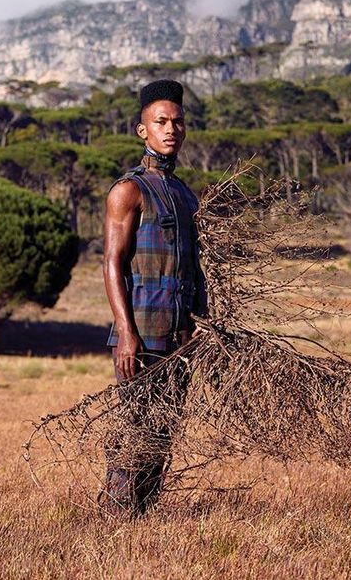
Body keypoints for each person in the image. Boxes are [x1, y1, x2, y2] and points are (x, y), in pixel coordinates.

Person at [100, 78, 208, 515]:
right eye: (160, 122)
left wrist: (202, 325)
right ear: (142, 130)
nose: (170, 130)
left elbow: (194, 268)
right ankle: (116, 519)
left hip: (180, 334)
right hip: (141, 334)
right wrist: (126, 334)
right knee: (134, 429)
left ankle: (143, 517)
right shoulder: (129, 190)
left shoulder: (184, 194)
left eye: (177, 122)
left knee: (163, 431)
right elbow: (111, 263)